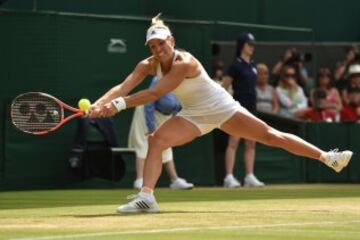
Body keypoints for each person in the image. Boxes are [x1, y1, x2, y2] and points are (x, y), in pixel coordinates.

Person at [88, 14, 353, 213]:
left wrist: (119, 105)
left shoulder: (185, 62)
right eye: (152, 46)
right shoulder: (148, 65)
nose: (157, 50)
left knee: (272, 136)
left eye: (161, 44)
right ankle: (147, 197)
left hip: (222, 108)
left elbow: (155, 94)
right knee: (157, 139)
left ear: (171, 41)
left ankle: (327, 157)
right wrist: (97, 104)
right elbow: (123, 86)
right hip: (193, 114)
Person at [129, 76, 194, 190]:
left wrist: (173, 124)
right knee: (144, 143)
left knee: (165, 143)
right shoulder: (159, 79)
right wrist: (151, 126)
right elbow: (149, 102)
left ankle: (174, 180)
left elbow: (177, 107)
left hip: (164, 116)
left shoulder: (182, 83)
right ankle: (139, 179)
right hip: (146, 113)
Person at [221, 33, 264, 188]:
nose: (252, 47)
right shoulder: (235, 65)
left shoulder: (253, 65)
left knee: (251, 144)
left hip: (252, 108)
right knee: (233, 142)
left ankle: (249, 176)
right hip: (237, 108)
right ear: (242, 46)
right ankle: (229, 177)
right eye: (249, 44)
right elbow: (223, 88)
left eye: (253, 44)